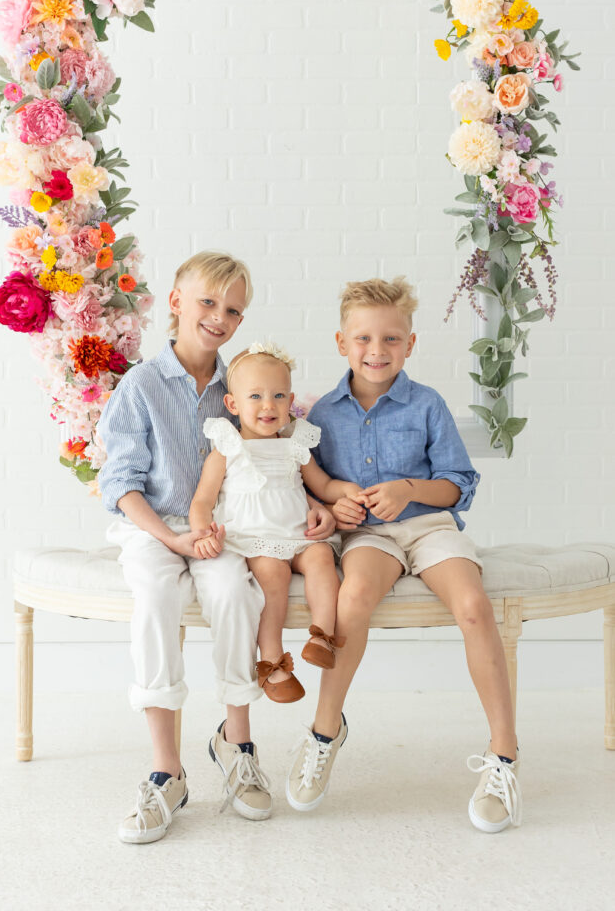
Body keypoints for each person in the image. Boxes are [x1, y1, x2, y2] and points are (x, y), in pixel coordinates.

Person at [98, 252, 333, 843]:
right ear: (175, 300)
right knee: (155, 594)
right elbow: (120, 483)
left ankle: (237, 742)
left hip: (223, 529)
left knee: (234, 589)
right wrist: (173, 536)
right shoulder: (142, 384)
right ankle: (166, 772)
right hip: (155, 525)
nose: (219, 317)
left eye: (233, 309)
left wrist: (309, 504)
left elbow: (277, 465)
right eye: (207, 302)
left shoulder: (243, 385)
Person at [285, 276, 521, 833]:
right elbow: (315, 484)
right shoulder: (322, 416)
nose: (376, 351)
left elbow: (457, 484)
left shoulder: (427, 404)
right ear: (342, 342)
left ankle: (504, 754)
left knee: (472, 606)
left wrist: (409, 489)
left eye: (391, 339)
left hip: (431, 526)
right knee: (355, 595)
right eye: (364, 339)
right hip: (369, 535)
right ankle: (324, 731)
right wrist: (337, 506)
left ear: (410, 345)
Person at [189, 342, 357, 703]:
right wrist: (202, 532)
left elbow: (323, 485)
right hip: (255, 539)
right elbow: (202, 500)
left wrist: (348, 491)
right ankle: (272, 661)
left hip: (301, 534)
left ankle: (322, 637)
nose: (269, 405)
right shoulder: (227, 446)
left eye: (279, 395)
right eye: (256, 396)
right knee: (274, 579)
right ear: (233, 404)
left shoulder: (296, 442)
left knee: (322, 561)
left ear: (290, 401)